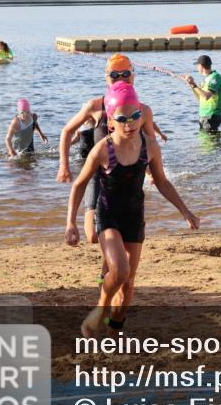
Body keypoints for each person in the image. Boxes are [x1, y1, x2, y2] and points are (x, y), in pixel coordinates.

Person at [66, 82, 198, 336]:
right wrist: (71, 222)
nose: (130, 123)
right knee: (120, 270)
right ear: (111, 122)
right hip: (108, 215)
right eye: (122, 118)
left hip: (134, 216)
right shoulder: (103, 149)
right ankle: (99, 311)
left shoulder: (149, 146)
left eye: (136, 115)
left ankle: (115, 328)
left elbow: (161, 181)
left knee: (128, 283)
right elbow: (79, 184)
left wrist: (185, 211)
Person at [57, 54, 160, 295]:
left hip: (125, 177)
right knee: (92, 235)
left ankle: (110, 273)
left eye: (125, 74)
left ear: (133, 76)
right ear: (106, 78)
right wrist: (64, 164)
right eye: (115, 74)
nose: (121, 78)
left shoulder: (142, 110)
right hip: (97, 174)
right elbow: (67, 130)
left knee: (117, 244)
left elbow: (149, 145)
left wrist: (152, 173)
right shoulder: (96, 106)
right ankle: (112, 268)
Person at [182, 55, 221, 132]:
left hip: (212, 116)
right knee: (204, 141)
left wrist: (194, 85)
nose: (197, 68)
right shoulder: (206, 79)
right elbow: (200, 98)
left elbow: (206, 96)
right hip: (204, 116)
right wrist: (191, 85)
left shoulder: (215, 77)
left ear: (201, 66)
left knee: (210, 142)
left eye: (197, 65)